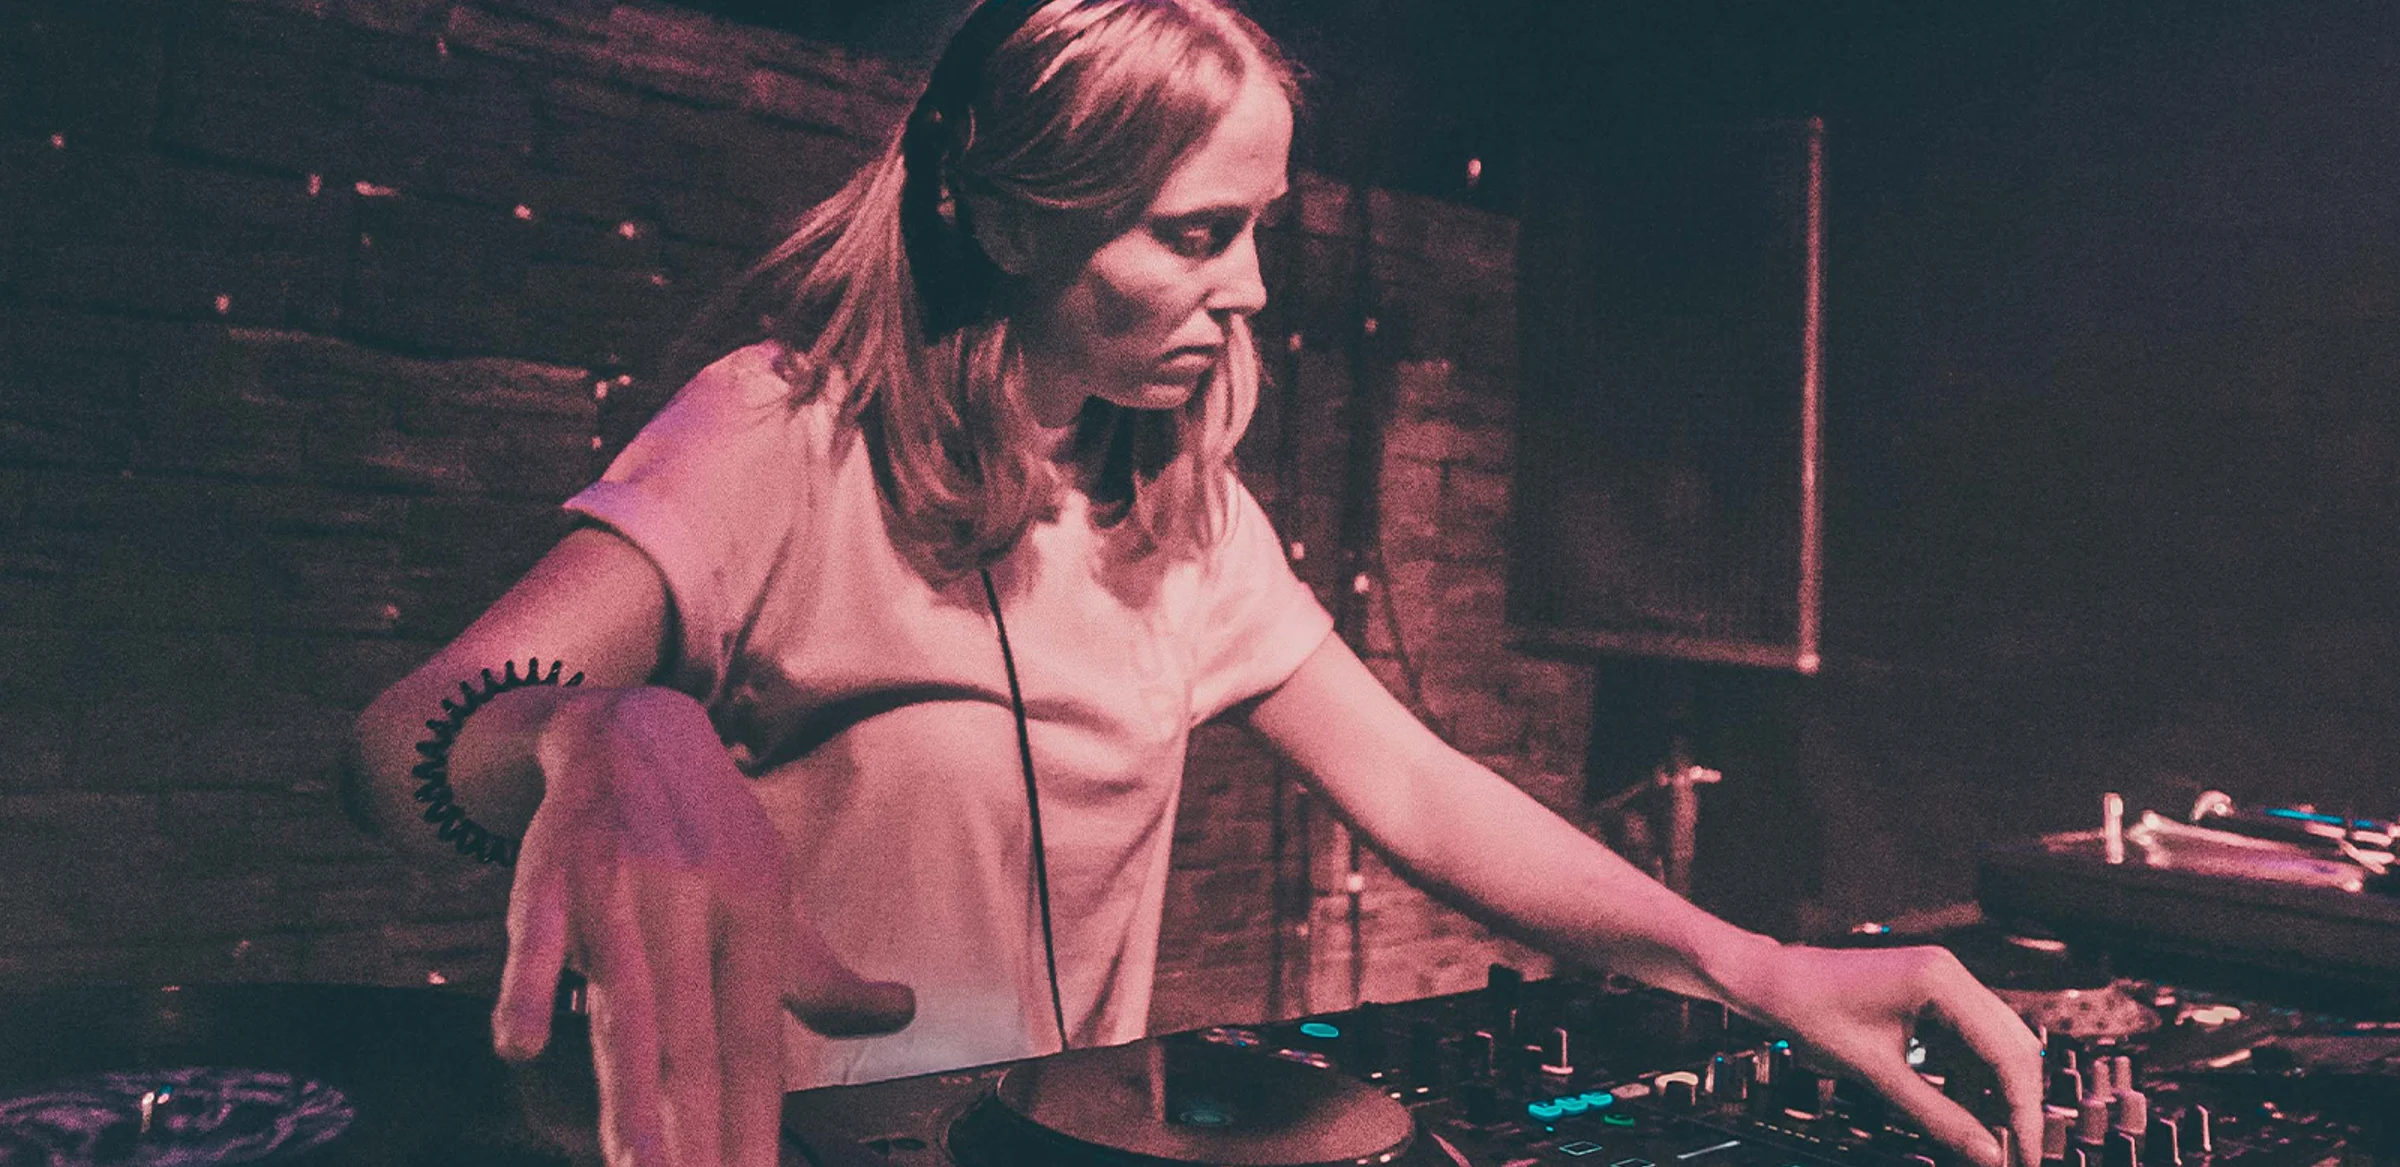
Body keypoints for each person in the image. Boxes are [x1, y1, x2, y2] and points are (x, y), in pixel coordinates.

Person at [349, 2, 2042, 1165]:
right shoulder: (780, 435)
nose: (1250, 291)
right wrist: (597, 732)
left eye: (1258, 229)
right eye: (1192, 233)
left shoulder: (1184, 515)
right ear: (1010, 221)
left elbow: (1423, 794)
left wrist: (1756, 965)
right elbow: (401, 739)